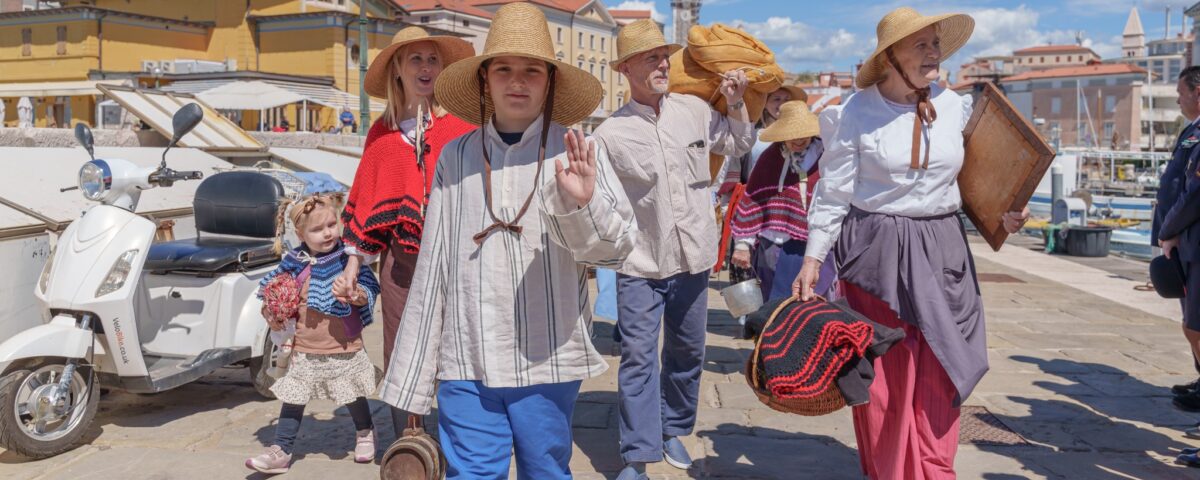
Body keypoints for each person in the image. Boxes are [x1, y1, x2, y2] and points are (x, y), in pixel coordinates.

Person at [377, 4, 636, 478]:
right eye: (504, 69)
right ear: (485, 81)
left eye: (531, 71)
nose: (517, 81)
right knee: (471, 473)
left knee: (545, 471)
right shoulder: (455, 156)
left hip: (546, 358)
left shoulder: (577, 153)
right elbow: (434, 264)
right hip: (465, 357)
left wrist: (580, 205)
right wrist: (414, 376)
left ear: (550, 81)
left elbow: (615, 250)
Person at [794, 8, 1029, 479]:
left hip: (943, 249)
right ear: (890, 57)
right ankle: (890, 470)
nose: (933, 52)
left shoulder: (957, 106)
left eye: (935, 43)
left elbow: (978, 180)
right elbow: (833, 193)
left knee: (944, 368)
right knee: (887, 377)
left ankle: (934, 469)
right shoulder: (852, 114)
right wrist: (813, 258)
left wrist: (1007, 212)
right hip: (876, 252)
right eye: (920, 44)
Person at [591, 18, 753, 480]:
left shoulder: (695, 110)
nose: (663, 63)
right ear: (625, 68)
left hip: (694, 257)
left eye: (665, 56)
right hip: (641, 262)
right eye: (650, 57)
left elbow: (740, 143)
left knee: (687, 351)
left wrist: (738, 103)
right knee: (639, 358)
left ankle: (672, 429)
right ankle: (636, 455)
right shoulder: (609, 135)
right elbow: (601, 201)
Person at [334, 25, 475, 442]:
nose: (426, 67)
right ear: (397, 69)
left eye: (433, 59)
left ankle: (457, 445)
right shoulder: (381, 133)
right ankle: (407, 447)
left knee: (457, 349)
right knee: (399, 349)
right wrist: (352, 267)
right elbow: (365, 199)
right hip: (400, 261)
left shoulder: (462, 126)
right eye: (416, 59)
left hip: (454, 255)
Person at [245, 193, 381, 475]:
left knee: (352, 394)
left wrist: (356, 295)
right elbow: (273, 289)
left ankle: (365, 431)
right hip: (304, 346)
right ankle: (281, 449)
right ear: (300, 233)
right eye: (317, 229)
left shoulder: (348, 258)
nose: (328, 232)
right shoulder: (294, 261)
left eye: (332, 224)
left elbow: (369, 286)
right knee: (293, 399)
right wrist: (271, 309)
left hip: (342, 344)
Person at [729, 101, 832, 303]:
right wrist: (743, 244)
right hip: (776, 244)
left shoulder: (826, 155)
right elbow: (753, 199)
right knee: (777, 302)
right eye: (791, 134)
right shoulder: (770, 159)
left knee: (816, 301)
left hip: (818, 242)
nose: (798, 139)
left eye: (802, 133)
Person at [1159, 66, 1200, 415]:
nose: (1177, 98)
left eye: (1181, 91)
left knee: (1196, 325)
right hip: (1185, 240)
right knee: (1192, 321)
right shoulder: (1191, 132)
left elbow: (1194, 192)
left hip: (1191, 241)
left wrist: (1167, 229)